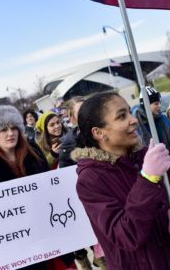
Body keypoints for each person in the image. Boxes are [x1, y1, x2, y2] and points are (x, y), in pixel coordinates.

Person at [72, 91, 170, 270]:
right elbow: (126, 236)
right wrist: (148, 178)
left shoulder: (149, 156)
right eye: (122, 116)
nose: (133, 119)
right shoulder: (90, 180)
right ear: (99, 133)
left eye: (129, 112)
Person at [0, 105, 77, 270]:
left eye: (13, 127)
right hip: (20, 251)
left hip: (50, 237)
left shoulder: (33, 151)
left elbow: (50, 189)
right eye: (3, 129)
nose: (10, 133)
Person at [59, 96, 106, 270]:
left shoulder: (105, 132)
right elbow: (65, 182)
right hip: (91, 208)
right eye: (80, 112)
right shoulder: (68, 146)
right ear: (72, 118)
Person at [133, 86, 170, 161]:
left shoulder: (162, 118)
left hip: (167, 160)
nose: (159, 106)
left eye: (159, 102)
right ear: (146, 105)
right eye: (156, 103)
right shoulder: (136, 123)